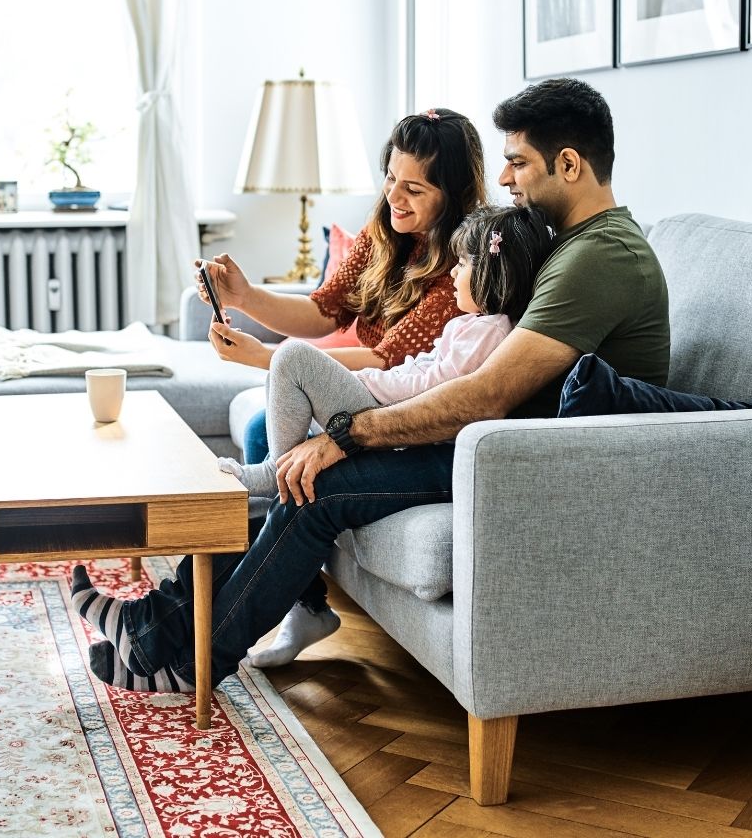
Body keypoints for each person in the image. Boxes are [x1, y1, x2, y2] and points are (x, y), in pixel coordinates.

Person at [69, 77, 671, 693]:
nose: (508, 179)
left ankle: (180, 654)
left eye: (518, 163)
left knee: (316, 487)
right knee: (300, 483)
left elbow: (488, 392)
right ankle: (160, 629)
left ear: (569, 164)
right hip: (487, 444)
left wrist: (348, 435)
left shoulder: (599, 256)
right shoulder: (558, 242)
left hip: (519, 459)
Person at [200, 107, 491, 664]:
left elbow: (387, 360)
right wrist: (242, 297)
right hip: (364, 386)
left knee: (270, 424)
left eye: (413, 188)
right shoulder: (387, 231)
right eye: (389, 179)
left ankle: (289, 600)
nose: (394, 197)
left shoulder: (463, 267)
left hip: (407, 407)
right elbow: (323, 308)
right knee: (265, 425)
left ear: (453, 192)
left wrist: (270, 359)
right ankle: (305, 605)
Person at [217, 205, 554, 502]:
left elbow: (435, 386)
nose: (453, 271)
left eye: (463, 263)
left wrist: (372, 385)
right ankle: (266, 495)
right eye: (392, 179)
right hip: (381, 399)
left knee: (292, 359)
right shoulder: (471, 323)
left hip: (391, 419)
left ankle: (270, 474)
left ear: (492, 273)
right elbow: (415, 364)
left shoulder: (491, 331)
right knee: (286, 371)